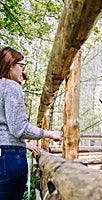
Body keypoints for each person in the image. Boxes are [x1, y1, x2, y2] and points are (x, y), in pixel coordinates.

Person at [0, 46, 62, 200]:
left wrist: (25, 144)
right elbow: (19, 129)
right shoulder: (11, 87)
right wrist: (49, 134)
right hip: (9, 157)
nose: (23, 71)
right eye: (21, 66)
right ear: (10, 65)